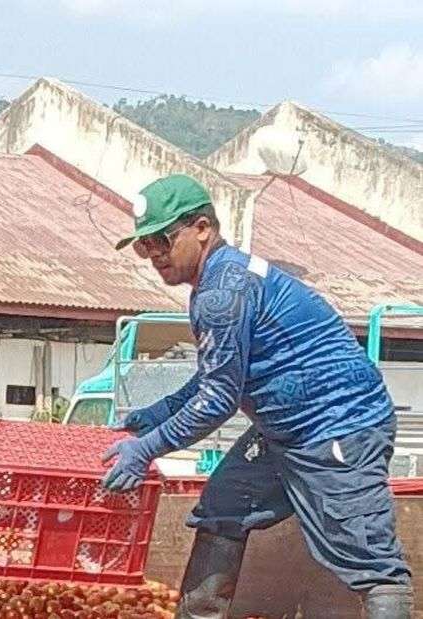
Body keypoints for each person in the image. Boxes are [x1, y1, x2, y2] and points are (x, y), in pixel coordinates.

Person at [102, 174, 413, 618]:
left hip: (340, 428)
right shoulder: (220, 282)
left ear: (203, 228)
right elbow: (221, 374)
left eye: (162, 240)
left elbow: (218, 399)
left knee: (372, 564)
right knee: (223, 509)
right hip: (284, 430)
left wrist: (146, 450)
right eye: (143, 246)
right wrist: (159, 412)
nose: (154, 255)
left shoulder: (222, 294)